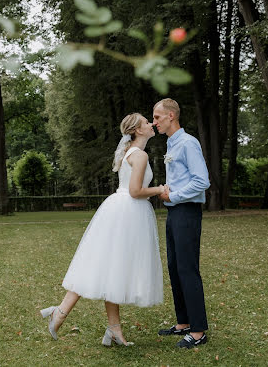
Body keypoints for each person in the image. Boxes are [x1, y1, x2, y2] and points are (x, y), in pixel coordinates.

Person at [40, 113, 164, 346]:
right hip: (129, 212)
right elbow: (136, 191)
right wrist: (159, 189)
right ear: (138, 129)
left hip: (121, 210)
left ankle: (110, 329)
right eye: (147, 122)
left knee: (111, 270)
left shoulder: (131, 152)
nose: (151, 124)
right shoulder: (140, 155)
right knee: (109, 268)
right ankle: (62, 312)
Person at [152, 98, 210, 349]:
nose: (154, 123)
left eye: (157, 117)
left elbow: (202, 181)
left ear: (171, 116)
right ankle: (184, 322)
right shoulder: (171, 143)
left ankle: (198, 331)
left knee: (188, 268)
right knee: (175, 267)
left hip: (186, 211)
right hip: (174, 212)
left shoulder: (188, 143)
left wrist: (172, 195)